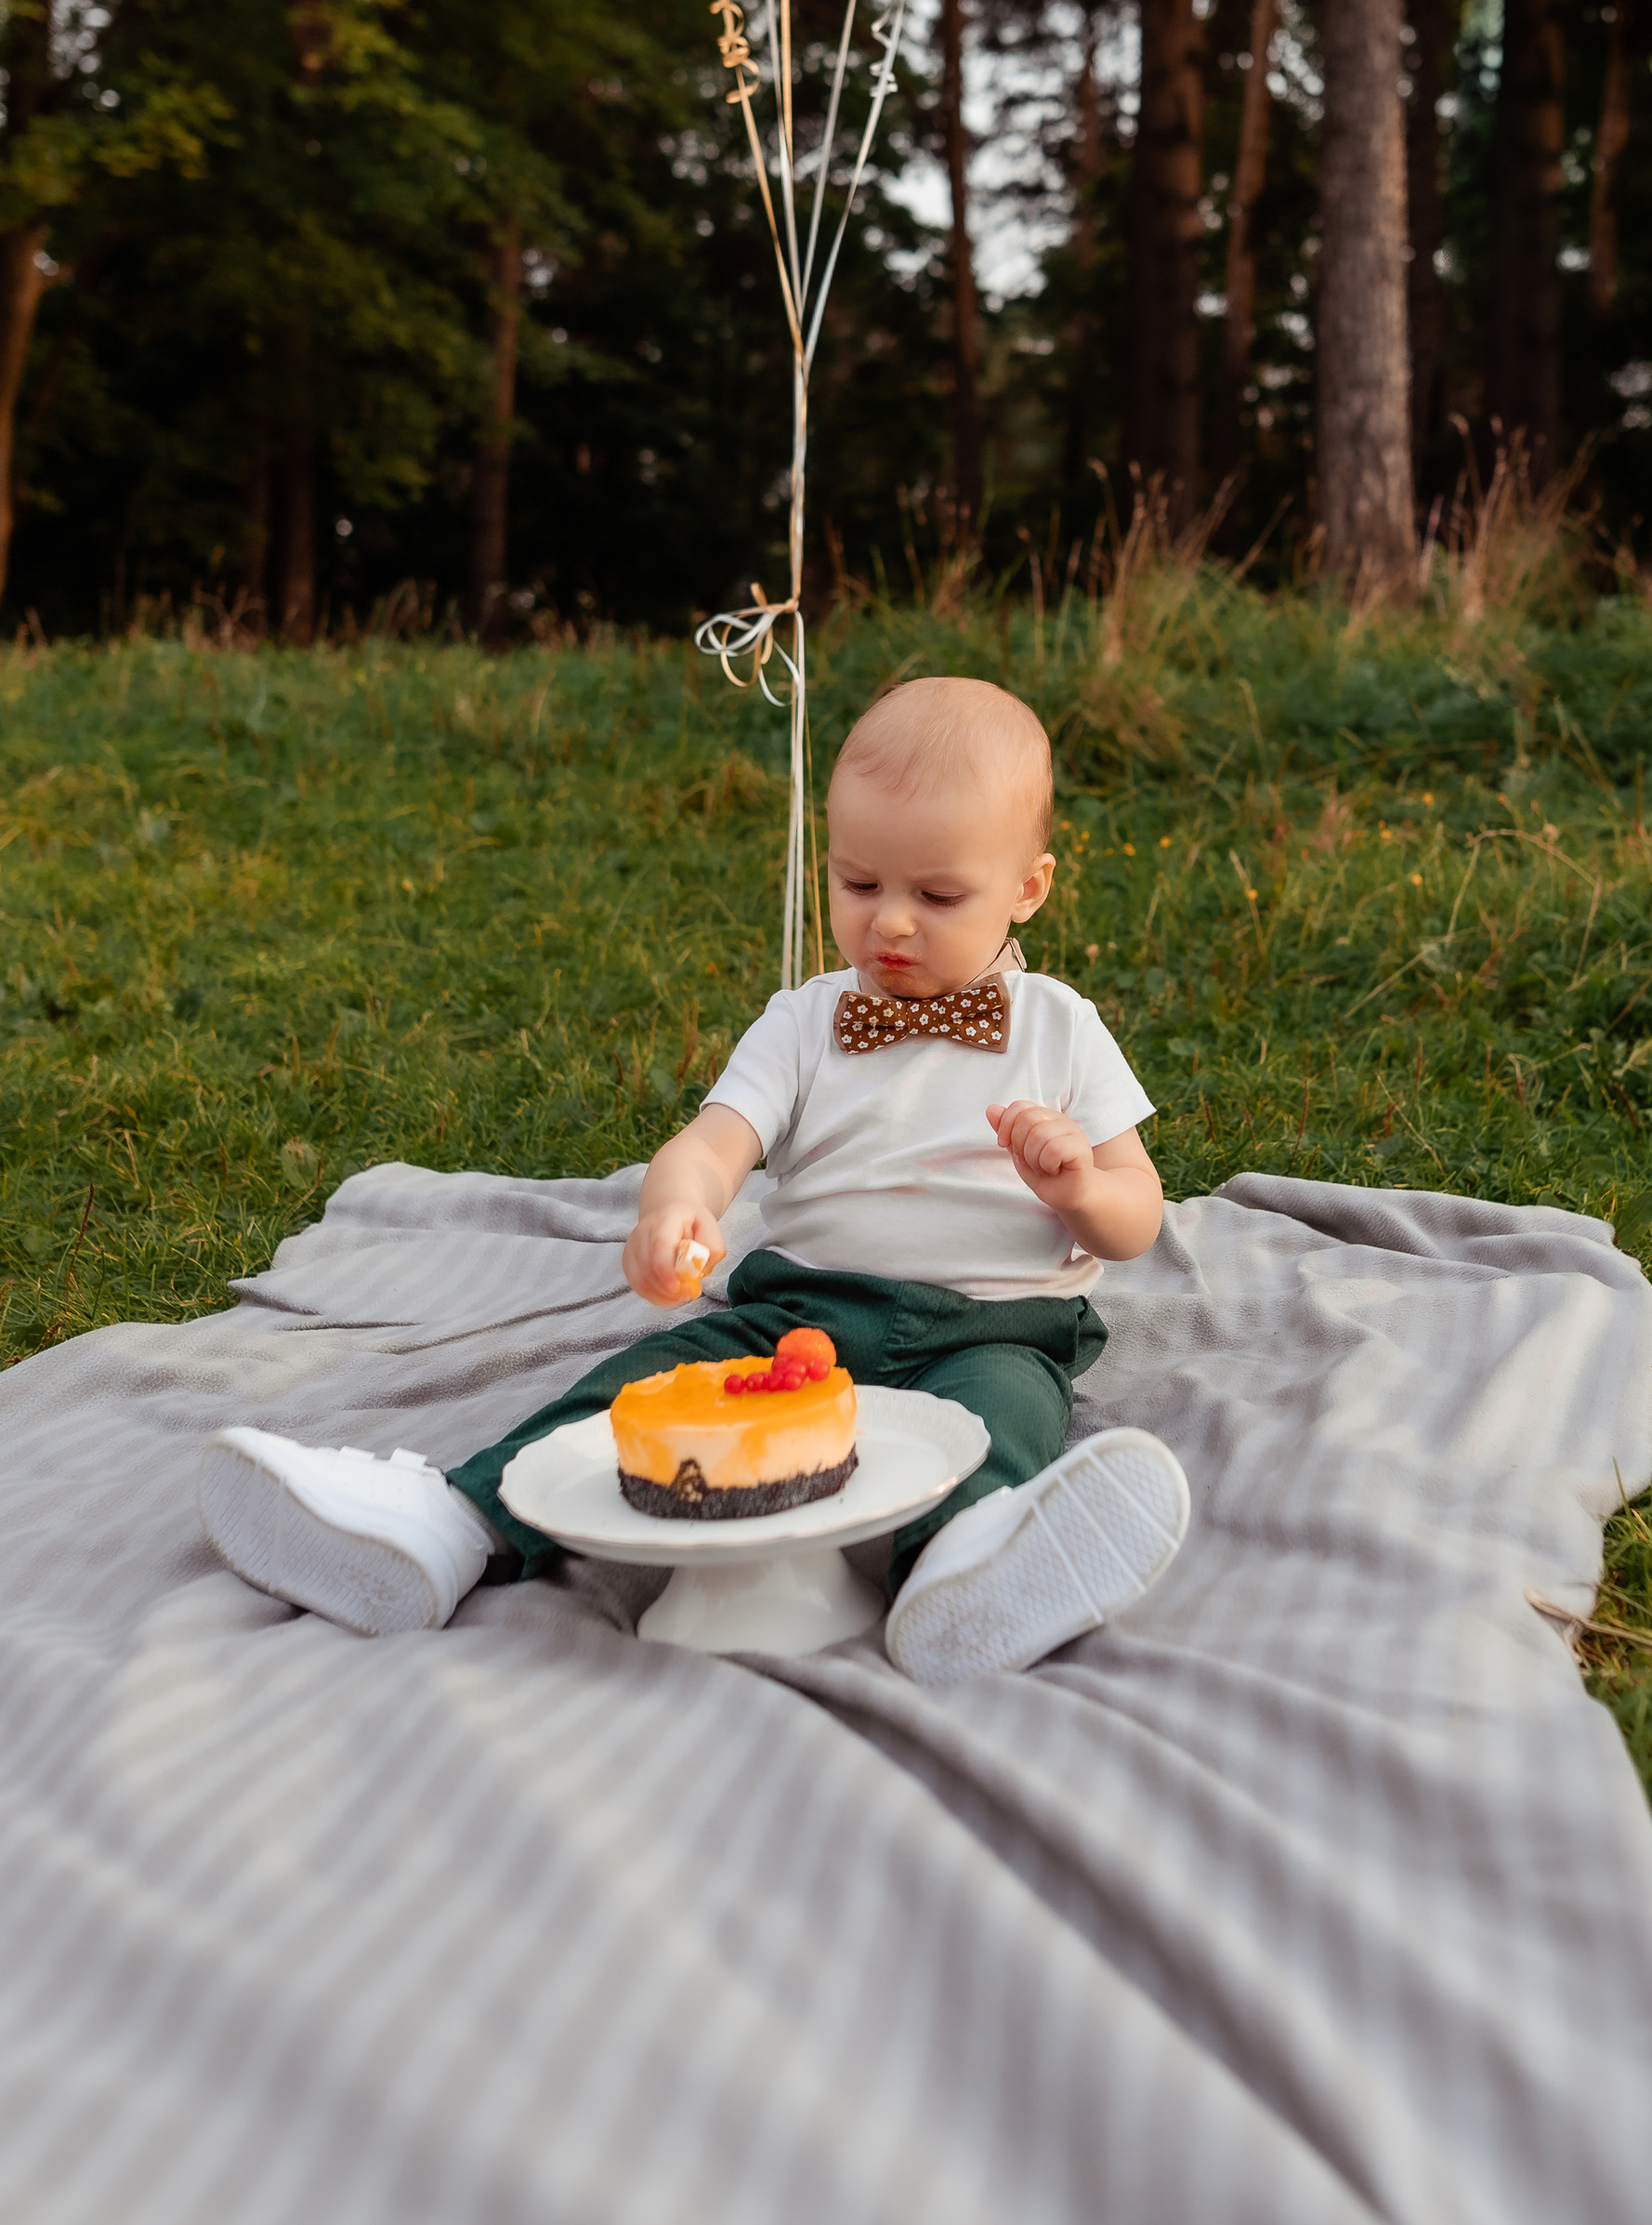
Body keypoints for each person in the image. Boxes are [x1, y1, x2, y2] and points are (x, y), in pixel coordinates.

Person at [198, 676, 1190, 1687]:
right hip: (800, 1312)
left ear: (1028, 887)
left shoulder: (1059, 1028)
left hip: (992, 1326)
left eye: (937, 897)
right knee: (637, 1396)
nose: (889, 923)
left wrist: (1075, 1189)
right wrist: (675, 1204)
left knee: (1002, 1424)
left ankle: (968, 1569)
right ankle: (445, 1527)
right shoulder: (806, 1023)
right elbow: (714, 1142)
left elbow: (1134, 1217)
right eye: (856, 884)